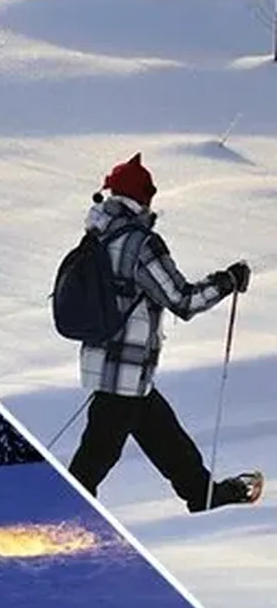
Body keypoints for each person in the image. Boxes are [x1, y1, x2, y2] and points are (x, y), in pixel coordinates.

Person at [67, 152, 260, 512]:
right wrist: (227, 281)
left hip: (110, 362)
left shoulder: (97, 235)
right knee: (97, 455)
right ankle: (65, 509)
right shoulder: (139, 243)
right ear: (142, 198)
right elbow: (183, 300)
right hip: (124, 370)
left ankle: (200, 493)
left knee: (162, 433)